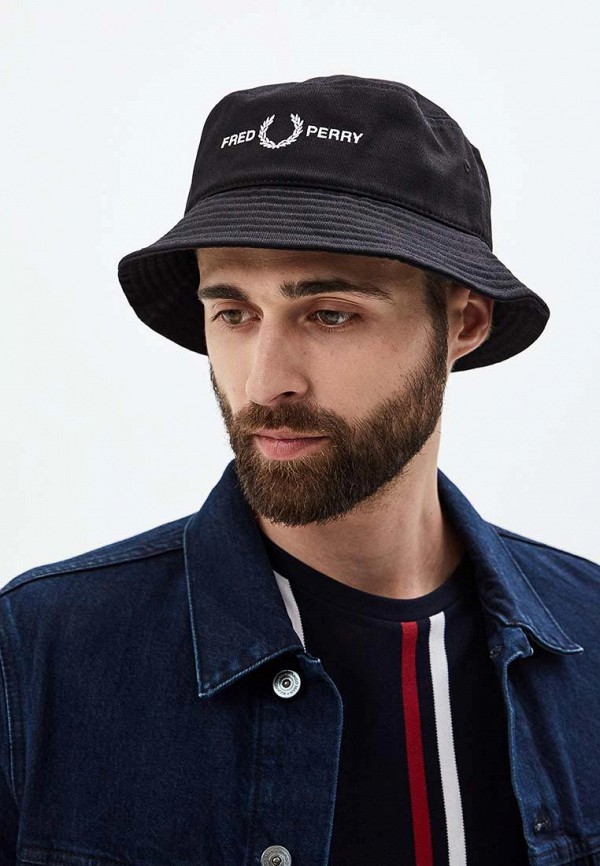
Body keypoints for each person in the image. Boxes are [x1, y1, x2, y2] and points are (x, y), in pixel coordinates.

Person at [1, 75, 598, 866]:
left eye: (330, 314)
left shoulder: (590, 637)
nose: (263, 382)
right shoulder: (40, 655)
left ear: (464, 322)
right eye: (234, 314)